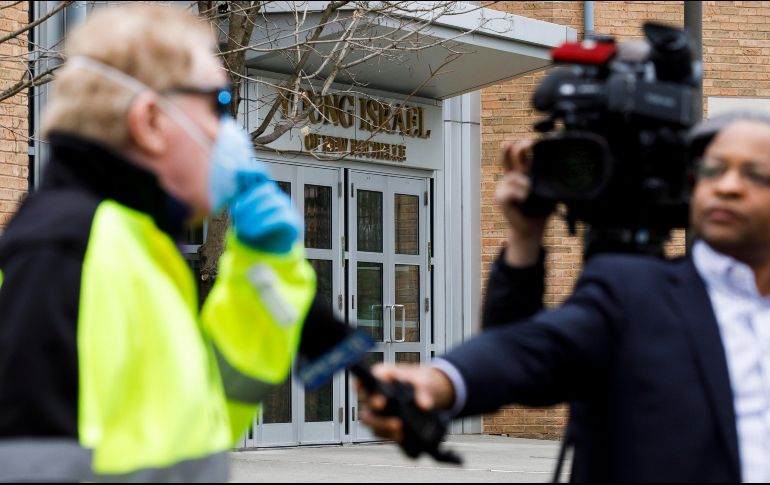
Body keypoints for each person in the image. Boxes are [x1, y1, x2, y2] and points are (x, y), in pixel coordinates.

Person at [360, 110, 770, 482]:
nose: (728, 186)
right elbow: (526, 350)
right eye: (714, 170)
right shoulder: (632, 292)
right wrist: (436, 382)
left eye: (755, 174)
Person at [0, 4, 316, 482]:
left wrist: (265, 269)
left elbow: (210, 413)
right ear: (150, 119)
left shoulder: (132, 247)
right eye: (220, 104)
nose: (230, 131)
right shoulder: (67, 252)